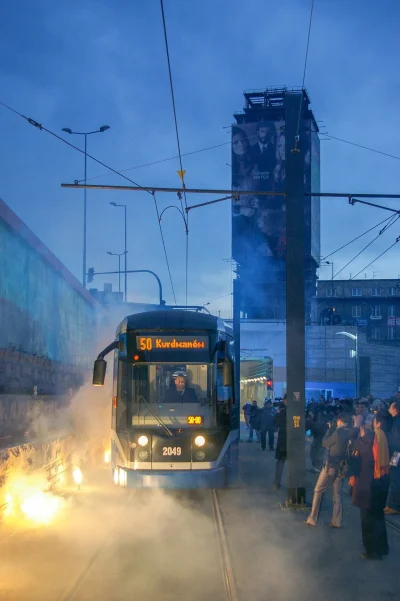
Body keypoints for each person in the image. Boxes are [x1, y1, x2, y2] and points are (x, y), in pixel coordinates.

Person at [305, 413, 353, 528]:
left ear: (340, 421)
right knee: (337, 494)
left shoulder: (338, 432)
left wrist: (330, 429)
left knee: (318, 490)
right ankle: (337, 521)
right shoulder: (349, 432)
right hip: (342, 467)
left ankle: (312, 519)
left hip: (330, 465)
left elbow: (325, 442)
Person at [352, 417, 390, 559]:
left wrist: (356, 427)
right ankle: (382, 547)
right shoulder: (383, 436)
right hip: (381, 482)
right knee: (378, 516)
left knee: (367, 519)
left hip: (367, 486)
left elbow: (353, 443)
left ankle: (372, 551)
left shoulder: (367, 442)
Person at [385, 401, 400, 515]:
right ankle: (391, 504)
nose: (389, 409)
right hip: (397, 453)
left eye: (390, 407)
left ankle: (394, 506)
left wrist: (392, 459)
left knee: (395, 479)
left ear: (395, 410)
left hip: (396, 454)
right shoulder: (396, 421)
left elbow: (396, 441)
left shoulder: (397, 422)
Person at [272, 395, 287, 489]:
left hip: (283, 439)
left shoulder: (282, 411)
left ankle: (276, 483)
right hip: (293, 439)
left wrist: (278, 413)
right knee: (294, 462)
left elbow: (275, 422)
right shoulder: (296, 410)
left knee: (280, 461)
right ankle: (295, 484)